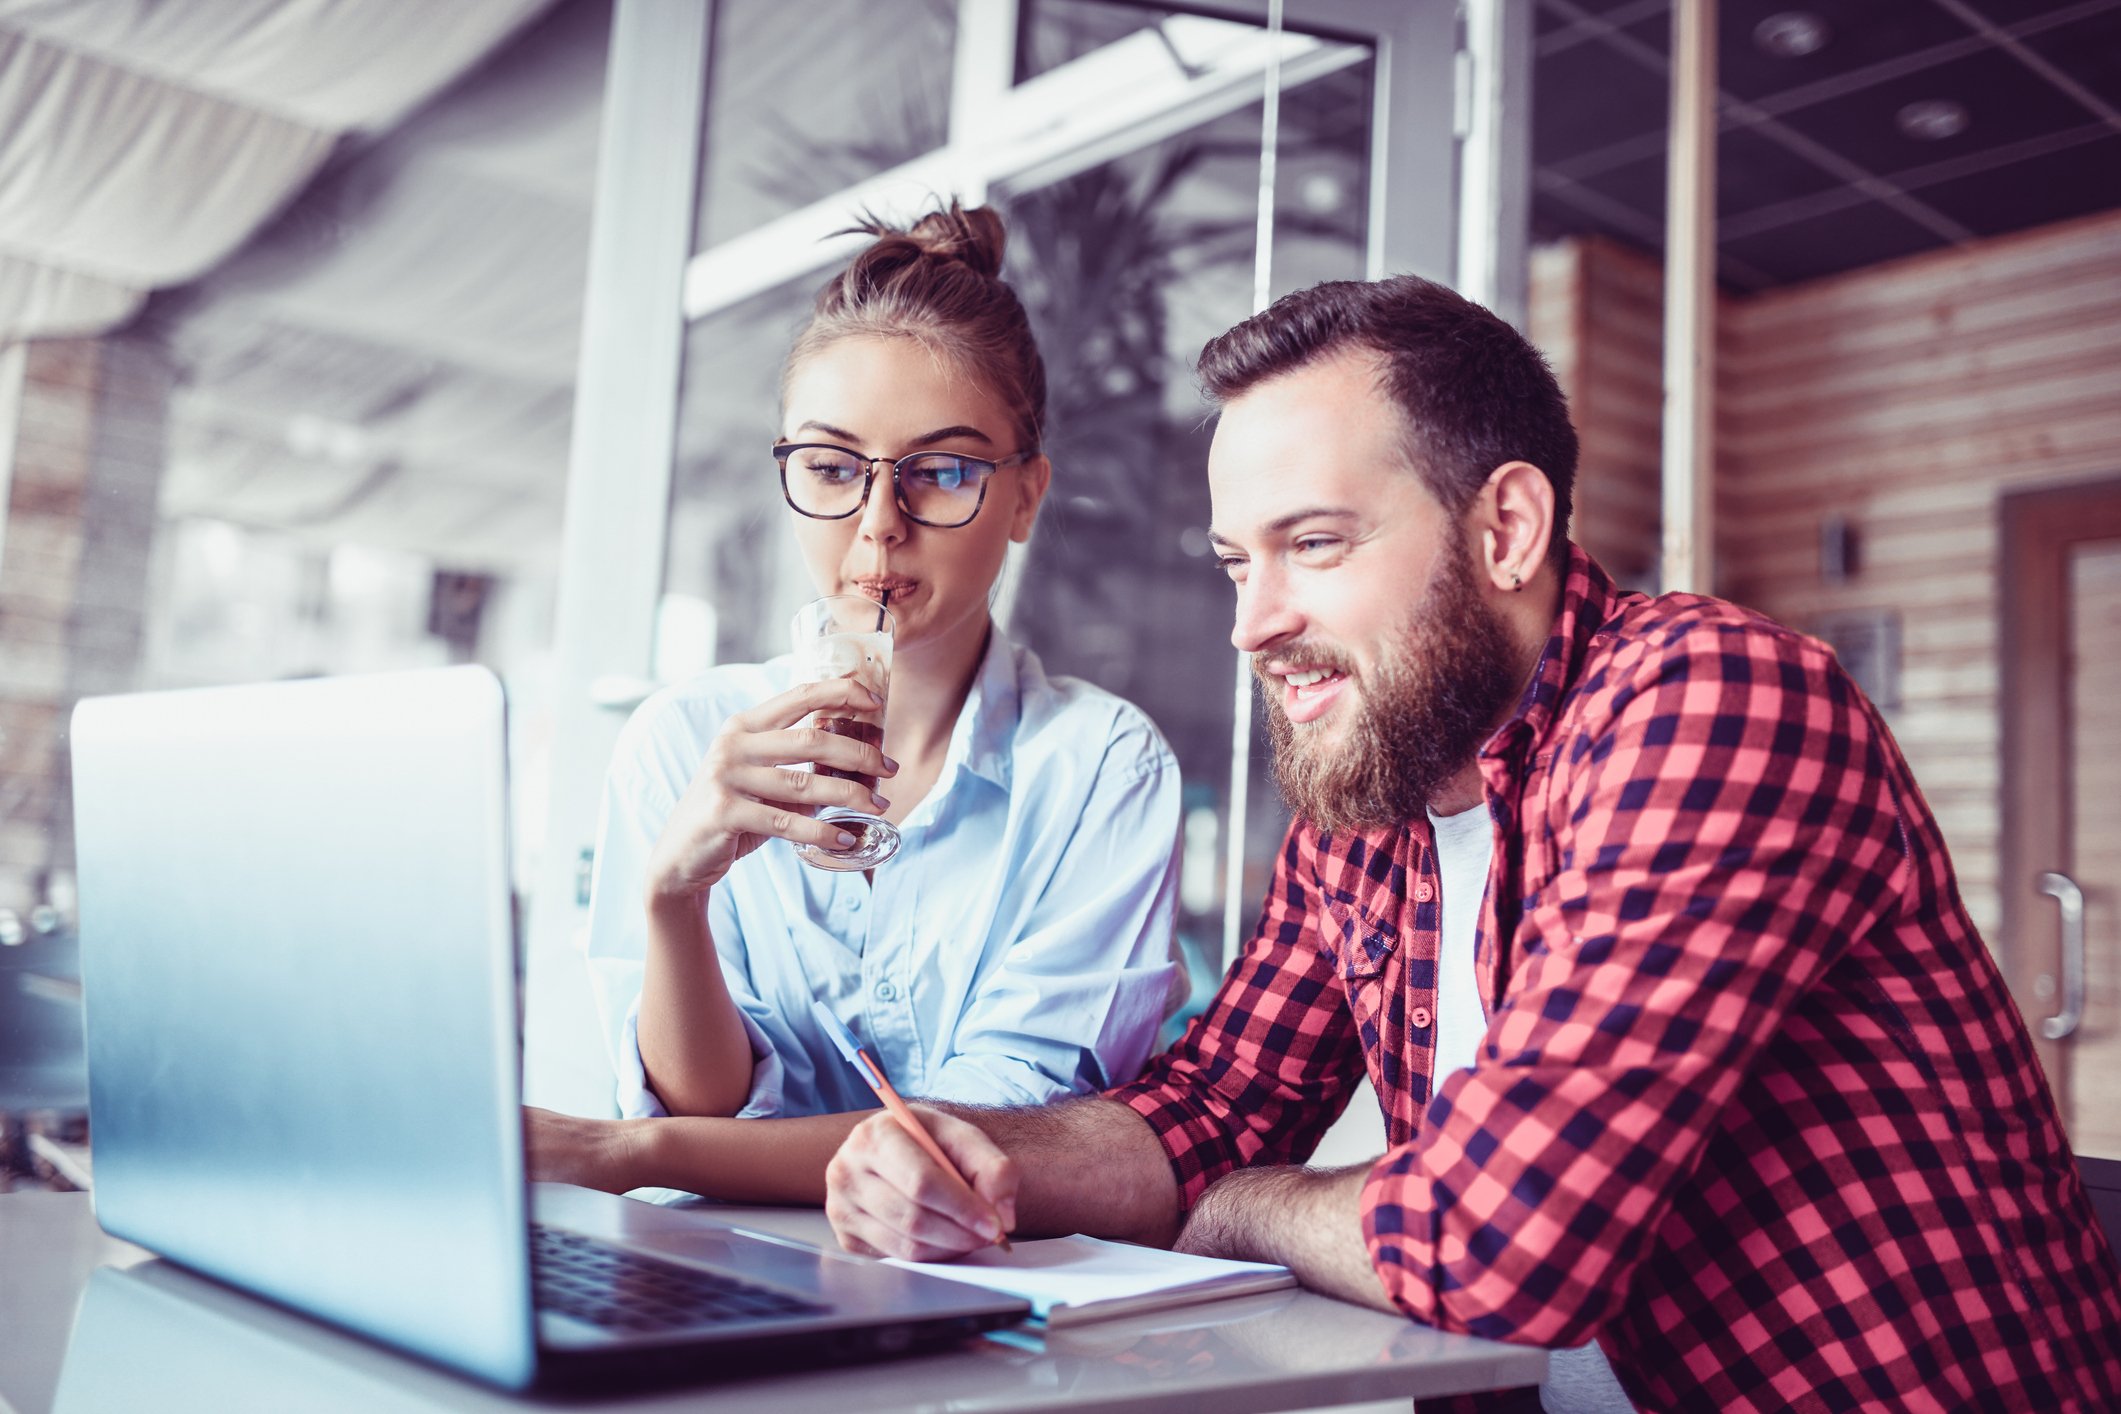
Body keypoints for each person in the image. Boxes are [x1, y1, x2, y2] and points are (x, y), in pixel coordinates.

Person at [822, 275, 2121, 1411]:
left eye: (1314, 544)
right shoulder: (1371, 794)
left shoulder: (1708, 701)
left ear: (1506, 529)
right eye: (1234, 563)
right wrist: (965, 1155)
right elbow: (1207, 1108)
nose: (1254, 623)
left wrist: (1234, 1205)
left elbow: (1499, 1244)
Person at [526, 203, 1182, 1201]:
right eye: (832, 468)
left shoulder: (1100, 767)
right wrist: (674, 897)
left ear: (1025, 496)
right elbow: (703, 1103)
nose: (879, 526)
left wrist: (620, 1153)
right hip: (723, 1273)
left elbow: (990, 1140)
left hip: (980, 1302)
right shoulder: (685, 741)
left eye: (943, 472)